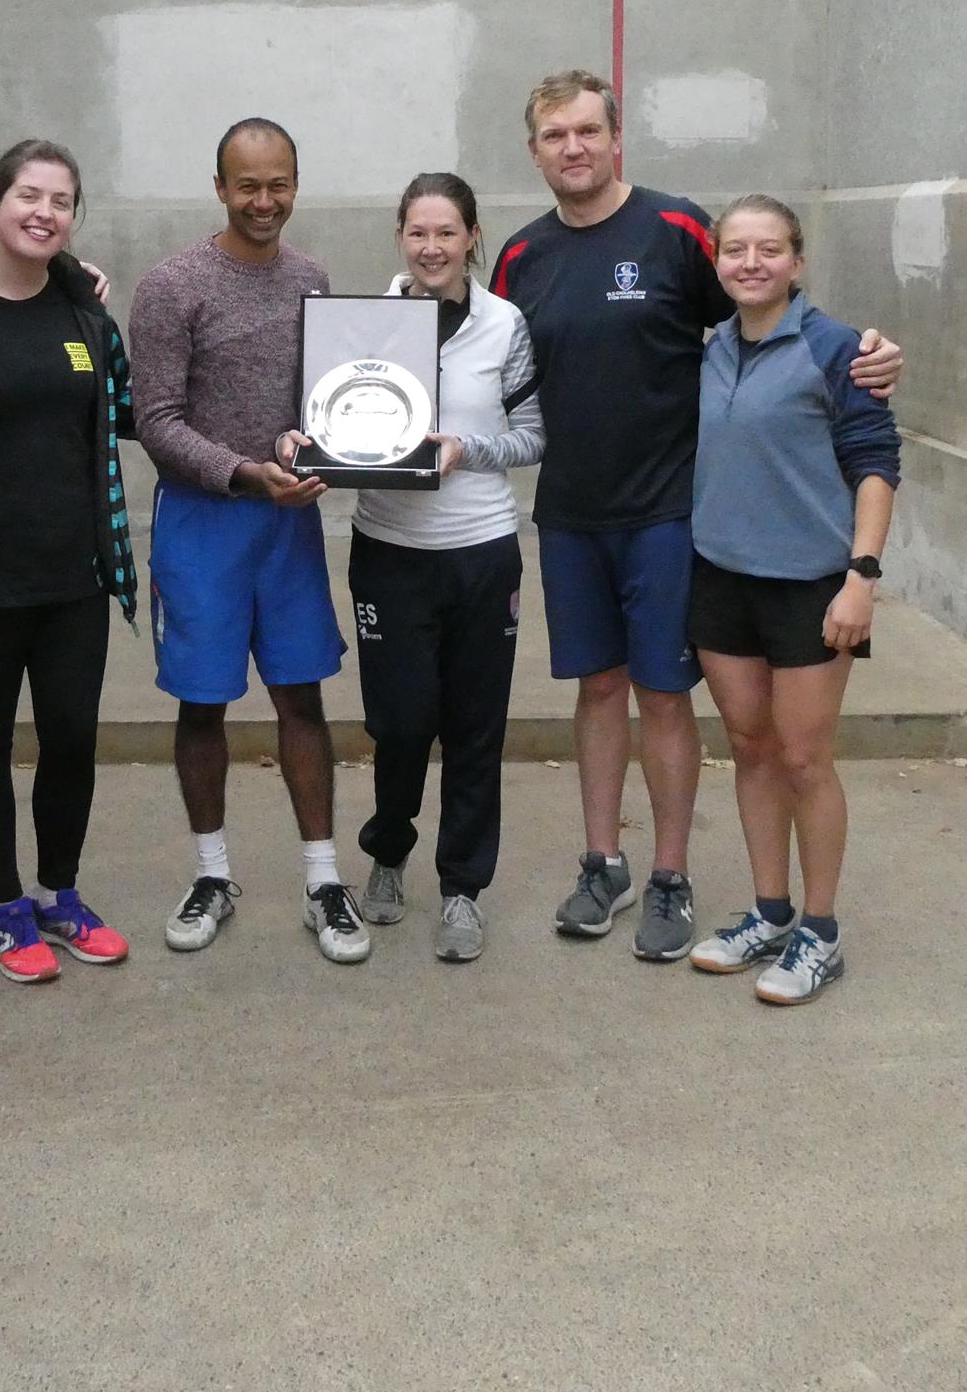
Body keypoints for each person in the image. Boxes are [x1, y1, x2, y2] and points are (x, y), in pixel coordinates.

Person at [490, 71, 899, 964]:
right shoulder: (520, 257)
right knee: (597, 692)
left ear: (615, 138)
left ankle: (672, 876)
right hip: (569, 517)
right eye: (555, 135)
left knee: (663, 695)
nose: (574, 147)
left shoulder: (677, 231)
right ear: (534, 150)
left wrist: (865, 351)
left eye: (589, 130)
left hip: (672, 518)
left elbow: (770, 315)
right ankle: (605, 863)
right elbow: (485, 361)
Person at [280, 172, 542, 963]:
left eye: (447, 233)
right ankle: (388, 853)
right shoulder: (366, 325)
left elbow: (533, 435)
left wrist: (469, 451)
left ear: (471, 239)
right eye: (418, 232)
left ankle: (462, 887)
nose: (432, 247)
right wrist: (301, 443)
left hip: (482, 550)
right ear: (401, 236)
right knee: (398, 722)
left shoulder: (505, 324)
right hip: (389, 554)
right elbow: (328, 416)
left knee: (474, 727)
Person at [129, 118, 366, 964]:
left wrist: (316, 447)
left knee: (302, 696)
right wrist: (239, 471)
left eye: (280, 184)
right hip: (203, 522)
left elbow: (324, 399)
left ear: (296, 183)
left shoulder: (313, 278)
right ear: (221, 186)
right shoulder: (172, 285)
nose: (265, 202)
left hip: (288, 520)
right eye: (248, 186)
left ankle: (323, 881)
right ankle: (212, 873)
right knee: (204, 700)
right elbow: (153, 421)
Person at [0, 140, 137, 986]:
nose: (44, 212)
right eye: (29, 196)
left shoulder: (83, 314)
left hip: (76, 573)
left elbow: (124, 406)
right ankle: (8, 909)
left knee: (72, 738)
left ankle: (60, 894)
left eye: (61, 201)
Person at [685, 195, 899, 1004]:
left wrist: (861, 577)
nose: (750, 263)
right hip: (720, 577)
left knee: (805, 757)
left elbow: (877, 462)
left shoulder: (837, 347)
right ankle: (770, 913)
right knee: (750, 747)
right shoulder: (709, 351)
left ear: (797, 262)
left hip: (812, 584)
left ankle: (820, 931)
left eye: (768, 249)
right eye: (735, 250)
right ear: (718, 263)